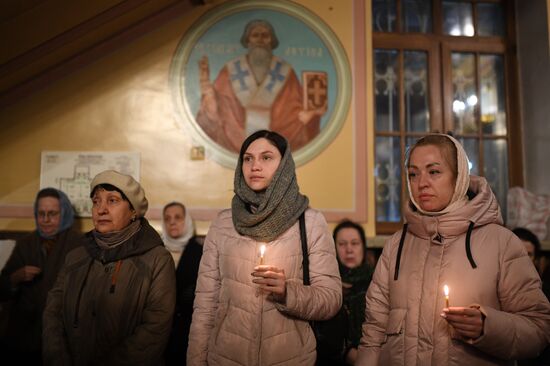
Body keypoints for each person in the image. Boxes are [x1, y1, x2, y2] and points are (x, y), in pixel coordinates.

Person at [356, 134, 550, 365]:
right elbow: (374, 331)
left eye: (434, 171)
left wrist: (488, 327)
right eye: (413, 174)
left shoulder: (501, 243)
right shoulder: (396, 245)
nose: (422, 183)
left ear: (459, 177)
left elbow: (539, 328)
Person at [187, 130, 342, 365]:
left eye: (266, 157)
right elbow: (205, 306)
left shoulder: (309, 222)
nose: (254, 166)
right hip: (226, 358)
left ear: (284, 165)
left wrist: (287, 293)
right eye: (248, 159)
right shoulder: (223, 224)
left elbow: (330, 299)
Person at [42, 170, 176, 365]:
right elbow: (53, 312)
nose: (101, 209)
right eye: (96, 201)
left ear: (133, 211)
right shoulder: (75, 256)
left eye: (112, 200)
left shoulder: (157, 260)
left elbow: (155, 328)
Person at [196, 19, 326, 153]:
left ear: (271, 41)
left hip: (276, 140)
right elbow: (219, 108)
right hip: (235, 136)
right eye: (255, 35)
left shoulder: (285, 71)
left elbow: (293, 108)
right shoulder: (231, 70)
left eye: (265, 36)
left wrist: (310, 115)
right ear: (248, 40)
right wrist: (208, 92)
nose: (260, 40)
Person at [0, 188, 81, 364]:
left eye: (52, 214)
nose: (45, 220)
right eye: (41, 213)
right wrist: (16, 277)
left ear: (65, 214)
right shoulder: (26, 244)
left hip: (61, 335)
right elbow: (2, 288)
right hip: (23, 338)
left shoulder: (79, 245)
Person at [162, 202, 203, 366]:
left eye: (178, 217)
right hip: (162, 330)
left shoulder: (200, 250)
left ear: (186, 221)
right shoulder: (157, 250)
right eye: (167, 218)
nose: (172, 222)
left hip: (190, 329)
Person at [333, 220, 373, 365]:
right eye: (342, 244)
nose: (349, 249)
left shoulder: (377, 282)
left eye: (355, 243)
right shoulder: (326, 285)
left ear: (363, 246)